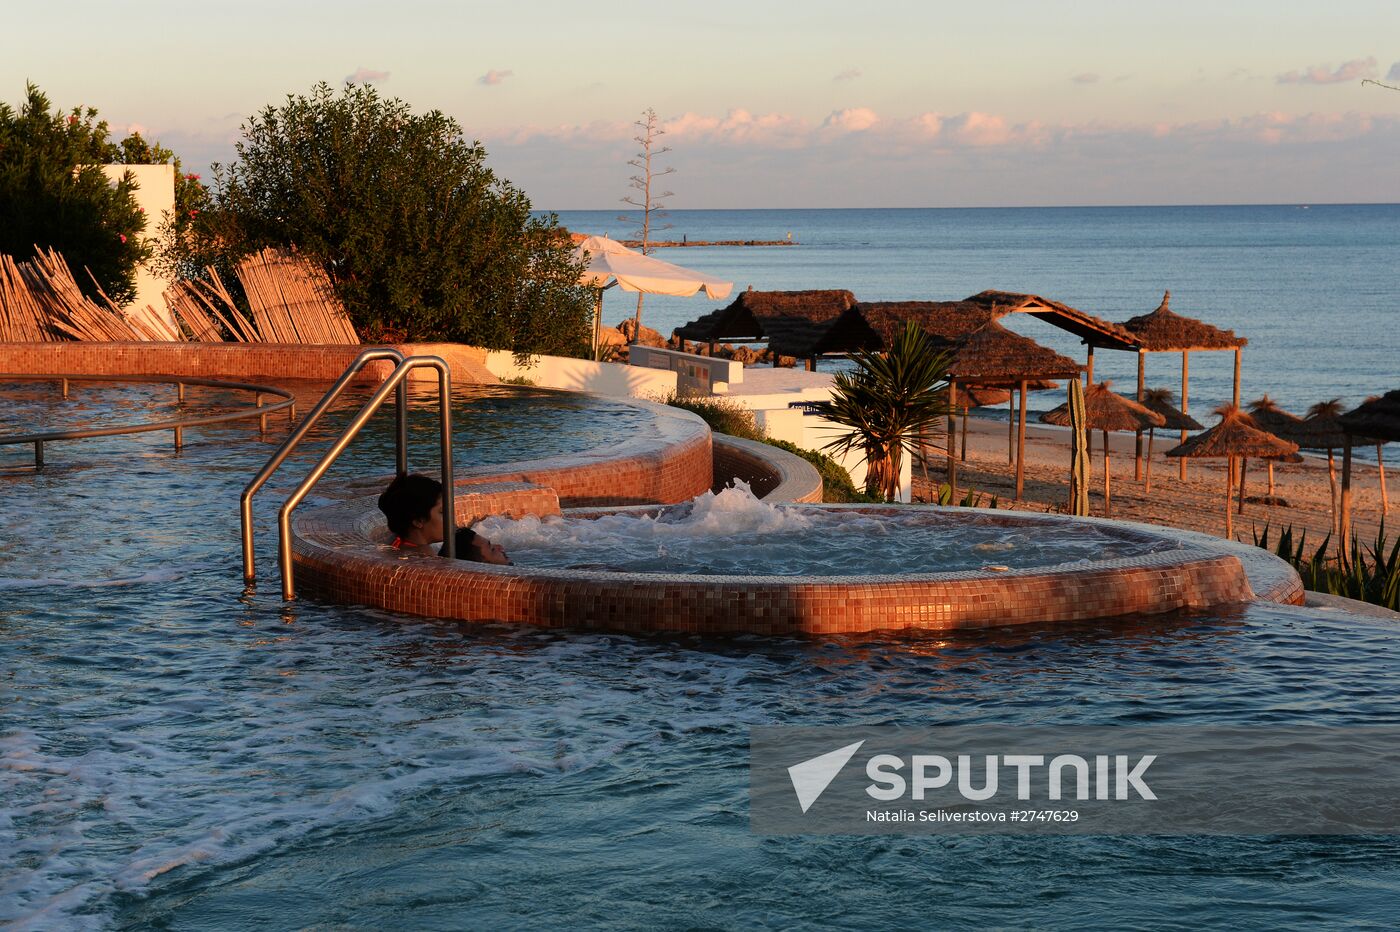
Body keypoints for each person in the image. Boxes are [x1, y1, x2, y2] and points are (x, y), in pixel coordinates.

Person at [376, 473, 512, 565]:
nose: (450, 518)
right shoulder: (425, 557)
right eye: (442, 512)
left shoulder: (397, 542)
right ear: (418, 521)